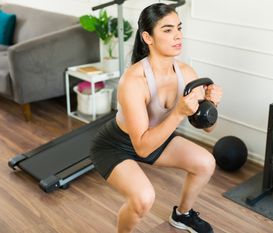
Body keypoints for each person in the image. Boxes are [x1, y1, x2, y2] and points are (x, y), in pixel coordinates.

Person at [89, 3, 222, 233]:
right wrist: (179, 112)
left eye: (178, 28)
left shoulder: (186, 73)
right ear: (147, 37)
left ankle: (183, 215)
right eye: (167, 30)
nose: (177, 35)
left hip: (156, 138)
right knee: (143, 198)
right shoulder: (133, 80)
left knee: (206, 163)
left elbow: (208, 129)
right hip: (115, 145)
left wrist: (211, 105)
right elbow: (141, 147)